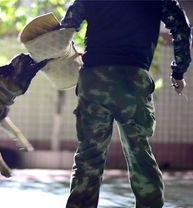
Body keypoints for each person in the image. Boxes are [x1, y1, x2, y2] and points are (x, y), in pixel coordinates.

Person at [60, 0, 192, 207]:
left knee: (89, 154)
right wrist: (178, 71)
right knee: (139, 152)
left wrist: (69, 54)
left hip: (95, 78)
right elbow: (181, 27)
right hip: (132, 80)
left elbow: (67, 26)